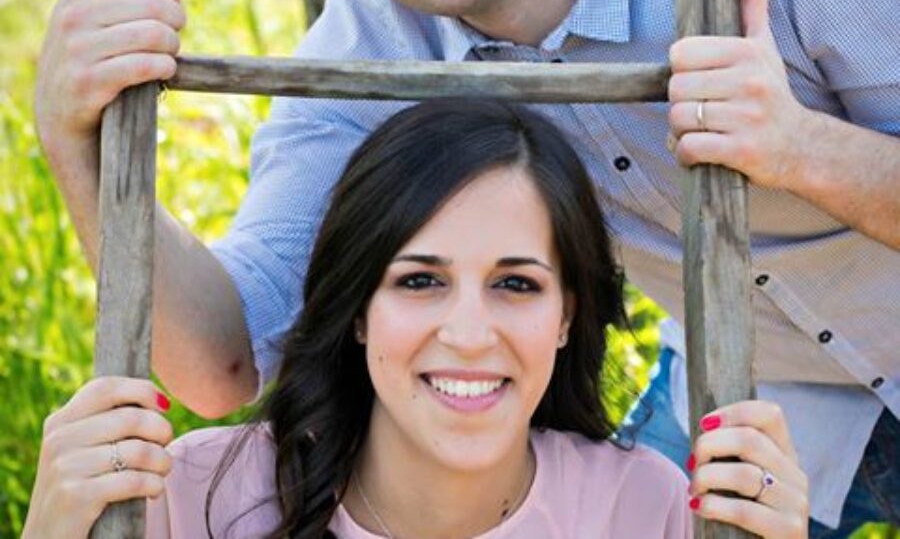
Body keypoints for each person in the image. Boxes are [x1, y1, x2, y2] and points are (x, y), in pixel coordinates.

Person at [34, 0, 899, 534]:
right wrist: (77, 138)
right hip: (762, 390)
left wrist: (802, 148)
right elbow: (221, 359)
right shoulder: (369, 47)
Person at [24, 100, 809, 538]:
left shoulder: (641, 508)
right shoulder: (198, 494)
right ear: (357, 309)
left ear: (568, 316)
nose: (468, 333)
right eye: (421, 280)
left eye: (517, 285)